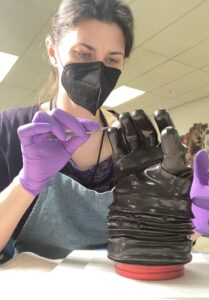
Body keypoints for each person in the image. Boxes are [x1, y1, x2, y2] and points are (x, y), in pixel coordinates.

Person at [0, 0, 134, 261]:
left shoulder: (133, 140)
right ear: (53, 52)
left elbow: (152, 237)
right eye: (83, 54)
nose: (98, 71)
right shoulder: (8, 130)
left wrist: (193, 224)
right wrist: (26, 184)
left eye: (112, 59)